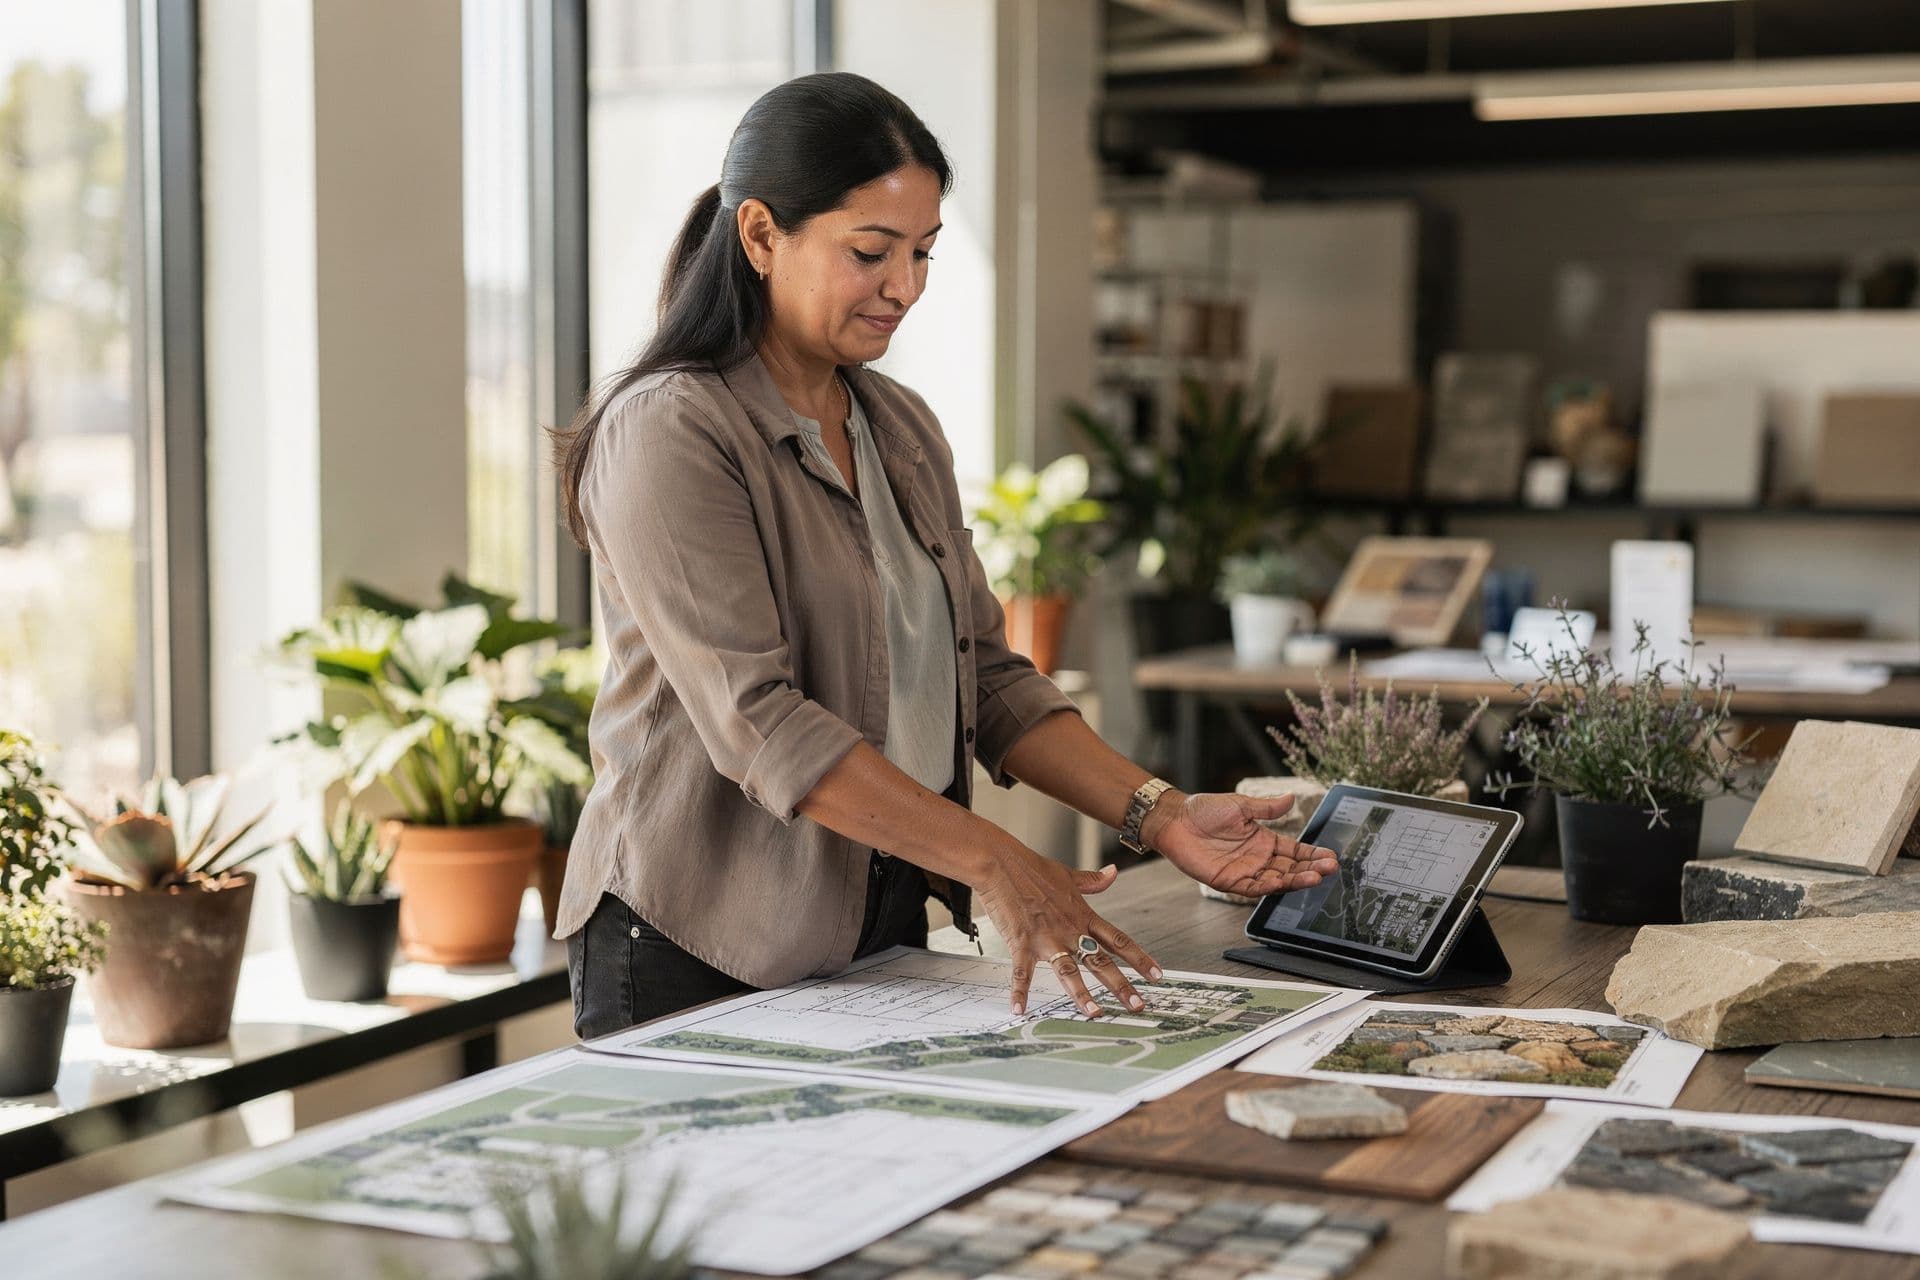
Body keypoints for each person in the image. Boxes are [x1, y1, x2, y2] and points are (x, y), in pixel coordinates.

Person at [552, 72, 1335, 1040]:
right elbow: (760, 725)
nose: (906, 287)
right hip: (695, 935)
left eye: (921, 252)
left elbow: (990, 676)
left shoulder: (899, 426)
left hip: (868, 909)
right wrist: (998, 861)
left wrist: (1161, 814)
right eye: (870, 252)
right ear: (760, 236)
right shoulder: (671, 429)